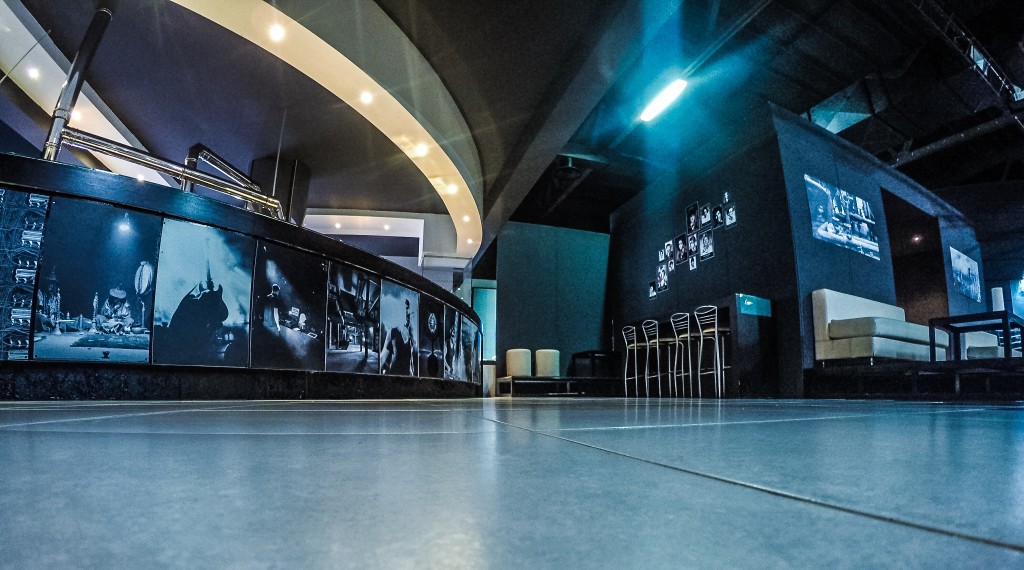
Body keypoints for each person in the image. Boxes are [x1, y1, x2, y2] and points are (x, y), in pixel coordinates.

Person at [381, 299, 416, 375]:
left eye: (408, 309)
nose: (407, 312)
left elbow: (411, 359)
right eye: (405, 309)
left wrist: (412, 374)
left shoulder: (411, 334)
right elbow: (383, 357)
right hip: (394, 375)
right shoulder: (392, 331)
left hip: (406, 377)